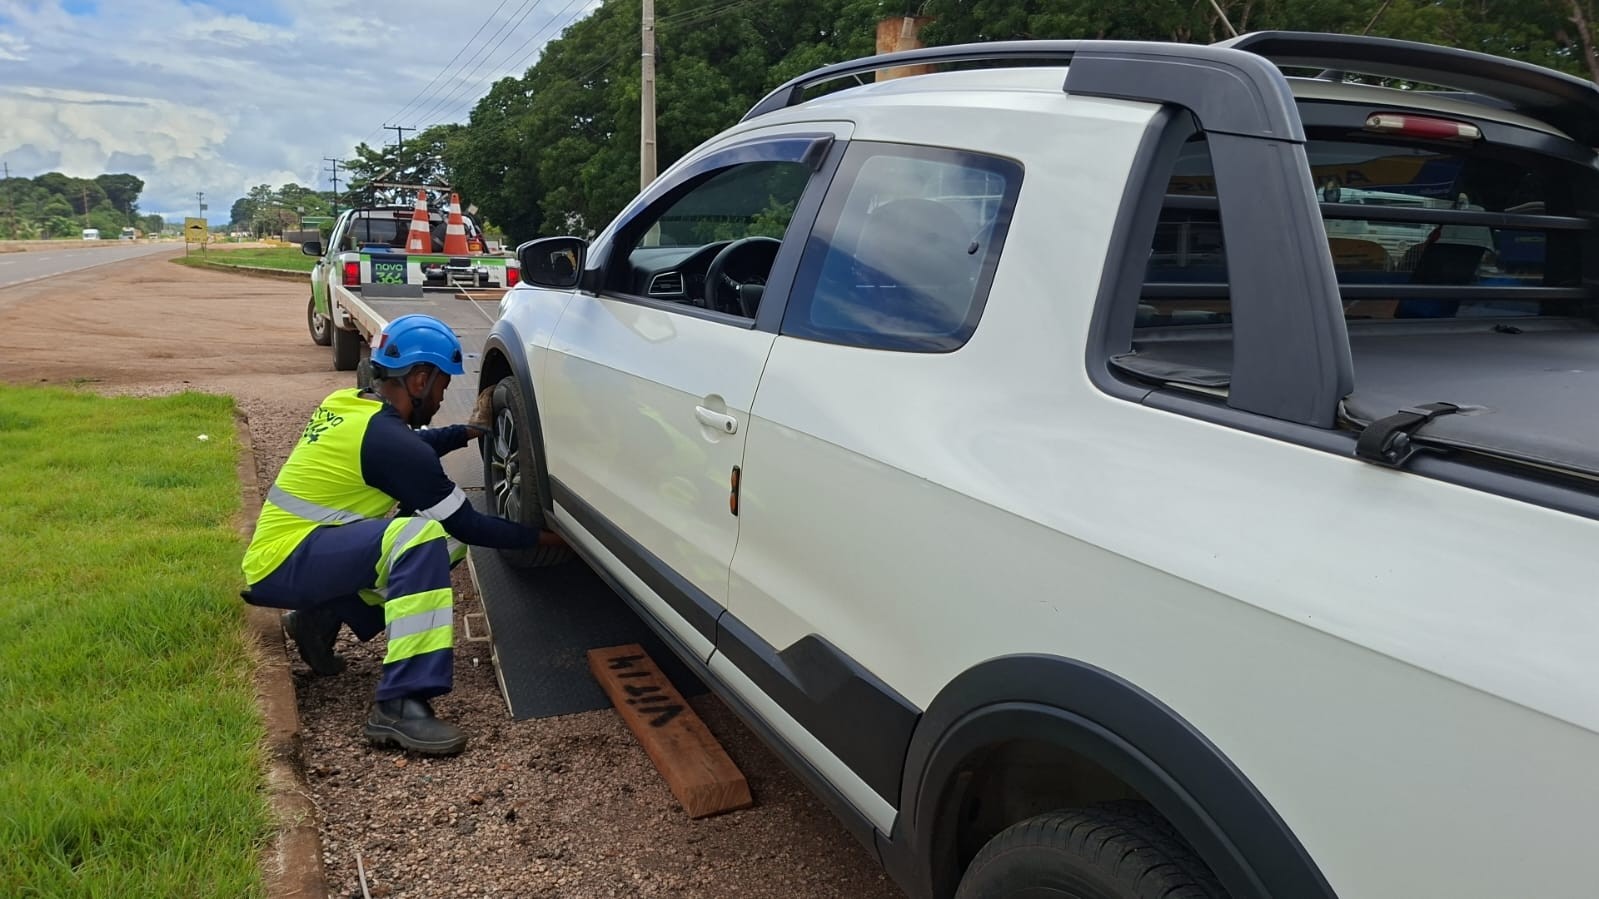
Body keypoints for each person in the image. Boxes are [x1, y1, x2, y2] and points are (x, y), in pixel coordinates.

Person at [240, 314, 557, 755]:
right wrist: (544, 540)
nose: (443, 396)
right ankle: (401, 702)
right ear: (420, 379)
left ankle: (319, 620)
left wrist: (465, 433)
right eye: (443, 386)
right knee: (425, 536)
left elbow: (409, 447)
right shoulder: (391, 443)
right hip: (286, 562)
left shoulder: (348, 405)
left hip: (296, 551)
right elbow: (467, 522)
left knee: (442, 542)